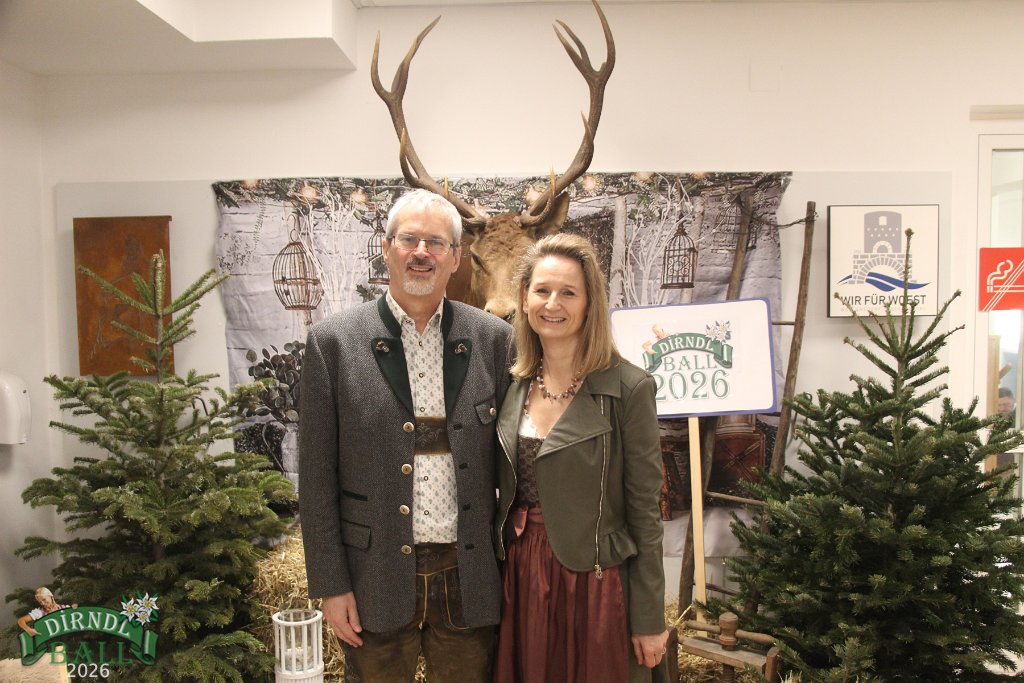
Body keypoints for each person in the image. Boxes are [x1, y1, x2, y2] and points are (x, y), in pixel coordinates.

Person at [299, 189, 514, 683]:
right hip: (372, 575)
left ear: (456, 258)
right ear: (386, 248)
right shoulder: (333, 343)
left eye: (436, 243)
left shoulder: (494, 340)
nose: (422, 253)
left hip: (469, 576)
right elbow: (315, 477)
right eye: (409, 240)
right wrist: (331, 585)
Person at [493, 233, 669, 683]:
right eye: (542, 290)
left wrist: (650, 618)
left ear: (590, 303)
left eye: (568, 292)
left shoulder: (629, 388)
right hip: (523, 575)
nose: (553, 304)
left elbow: (646, 512)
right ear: (525, 299)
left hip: (596, 584)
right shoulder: (512, 385)